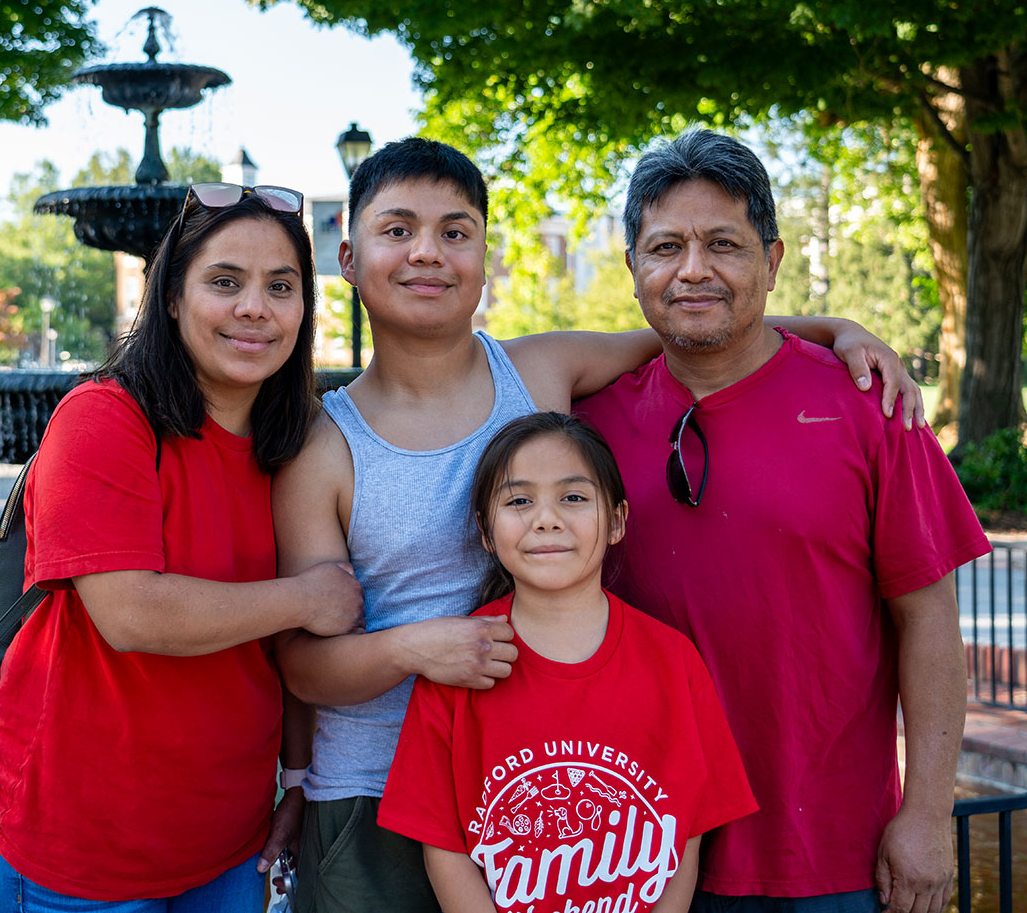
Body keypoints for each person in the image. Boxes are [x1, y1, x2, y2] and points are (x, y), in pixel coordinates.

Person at [271, 137, 926, 913]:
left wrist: (832, 327)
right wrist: (418, 649)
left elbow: (695, 317)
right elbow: (305, 668)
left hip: (541, 795)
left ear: (485, 253)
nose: (428, 254)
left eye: (455, 232)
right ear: (347, 257)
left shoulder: (544, 371)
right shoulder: (322, 446)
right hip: (374, 796)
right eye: (397, 231)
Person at [575, 129, 990, 913]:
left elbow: (928, 618)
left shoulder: (871, 407)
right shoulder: (583, 430)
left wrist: (929, 814)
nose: (692, 269)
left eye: (723, 244)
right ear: (633, 269)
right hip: (639, 853)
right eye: (665, 246)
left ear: (771, 261)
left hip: (832, 856)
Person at [0, 183, 363, 912]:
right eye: (225, 282)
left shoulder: (296, 444)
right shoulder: (104, 419)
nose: (256, 306)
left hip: (227, 842)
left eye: (281, 287)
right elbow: (133, 614)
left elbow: (282, 653)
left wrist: (298, 779)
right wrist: (309, 597)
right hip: (81, 848)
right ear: (174, 299)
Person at [379, 412, 758, 913]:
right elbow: (443, 846)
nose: (546, 518)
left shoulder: (672, 660)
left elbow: (686, 834)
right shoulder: (461, 663)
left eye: (573, 498)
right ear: (485, 530)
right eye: (519, 501)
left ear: (618, 520)